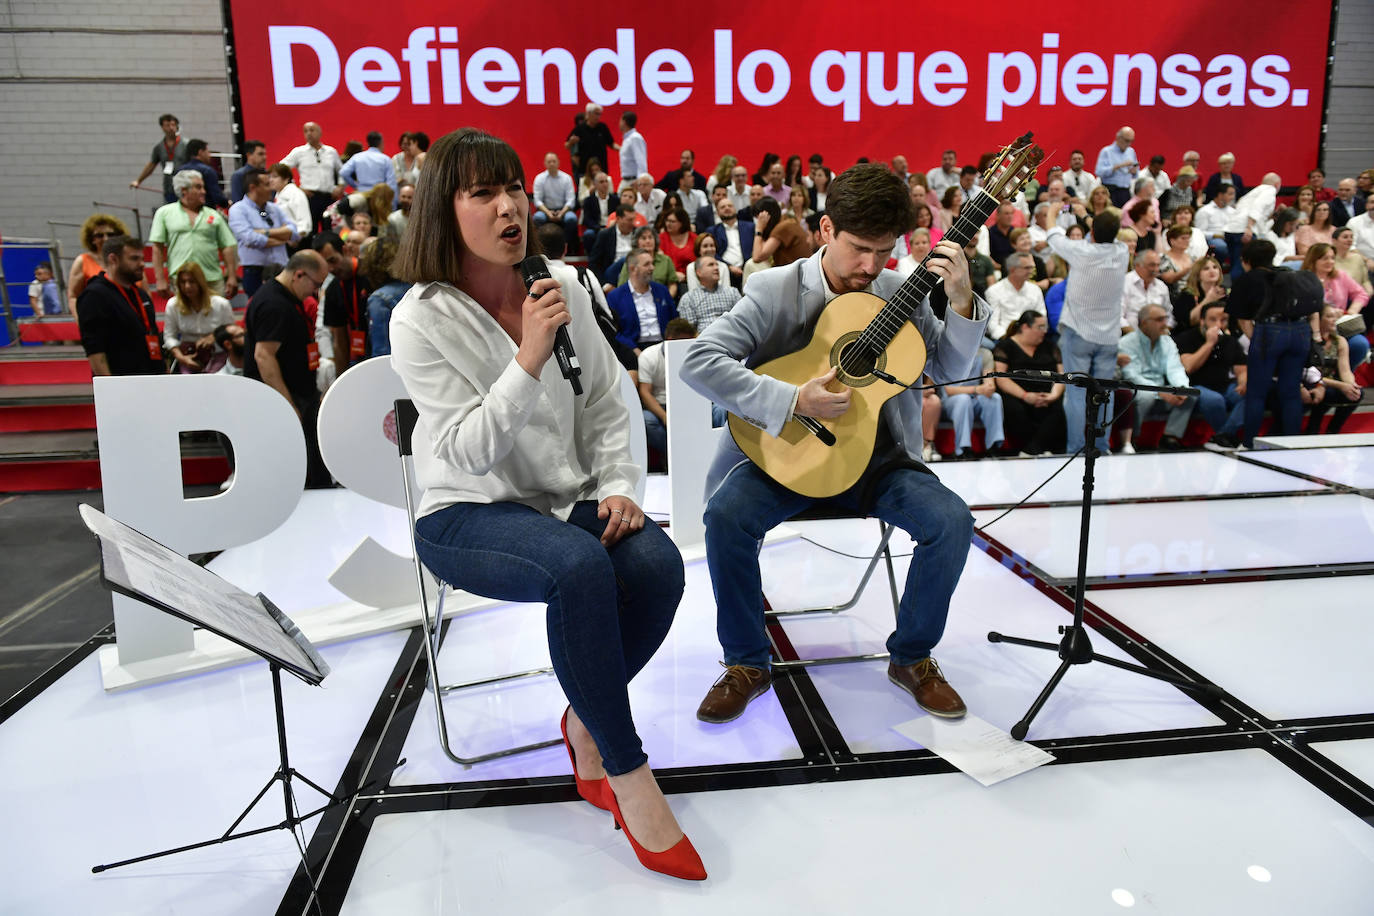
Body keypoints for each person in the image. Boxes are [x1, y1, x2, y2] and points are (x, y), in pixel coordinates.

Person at [384, 127, 700, 880]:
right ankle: (628, 775)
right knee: (580, 569)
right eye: (483, 194)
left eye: (514, 189)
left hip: (566, 500)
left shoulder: (557, 281)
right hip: (465, 511)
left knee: (658, 567)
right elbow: (463, 452)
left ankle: (583, 721)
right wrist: (526, 357)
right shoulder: (419, 317)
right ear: (443, 209)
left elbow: (609, 405)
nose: (508, 209)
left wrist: (621, 486)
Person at [680, 162, 990, 725]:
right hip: (788, 455)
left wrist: (963, 299)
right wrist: (791, 399)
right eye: (857, 249)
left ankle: (913, 657)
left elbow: (947, 368)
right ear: (826, 231)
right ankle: (747, 663)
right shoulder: (774, 288)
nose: (869, 266)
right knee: (726, 517)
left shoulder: (900, 291)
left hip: (879, 460)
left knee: (951, 521)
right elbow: (700, 361)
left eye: (883, 250)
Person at [243, 250, 333, 488]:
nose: (315, 291)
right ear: (299, 274)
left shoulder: (286, 298)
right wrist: (287, 404)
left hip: (298, 393)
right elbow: (263, 356)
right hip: (288, 397)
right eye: (316, 284)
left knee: (312, 463)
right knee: (302, 469)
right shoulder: (275, 304)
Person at [1046, 212, 1130, 453]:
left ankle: (1076, 448)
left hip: (1079, 333)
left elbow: (1053, 236)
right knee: (1106, 394)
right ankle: (1102, 446)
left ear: (1091, 232)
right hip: (1109, 337)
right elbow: (1107, 234)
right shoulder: (1123, 251)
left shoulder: (1081, 251)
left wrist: (1054, 208)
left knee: (1074, 394)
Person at [1228, 239, 1323, 447]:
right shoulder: (1287, 273)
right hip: (1300, 331)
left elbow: (1243, 320)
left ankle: (1249, 443)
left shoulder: (1247, 280)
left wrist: (1260, 342)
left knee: (1256, 393)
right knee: (1290, 392)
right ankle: (1291, 444)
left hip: (1270, 331)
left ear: (1246, 260)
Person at [77, 236, 165, 377]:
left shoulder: (141, 295)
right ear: (114, 259)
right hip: (120, 382)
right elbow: (95, 350)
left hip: (150, 379)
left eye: (142, 259)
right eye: (134, 259)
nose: (142, 264)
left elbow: (152, 334)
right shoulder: (95, 295)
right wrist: (109, 389)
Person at [1117, 303, 1195, 452]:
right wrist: (1158, 391)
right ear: (1144, 323)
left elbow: (1175, 369)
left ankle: (1169, 436)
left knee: (1190, 394)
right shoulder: (1126, 342)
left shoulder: (1167, 341)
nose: (1165, 324)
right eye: (1159, 320)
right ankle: (1133, 439)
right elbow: (1131, 376)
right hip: (1137, 388)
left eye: (1165, 319)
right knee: (1147, 396)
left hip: (1160, 388)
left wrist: (1181, 388)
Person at [150, 169, 239, 298]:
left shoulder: (214, 215)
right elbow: (157, 249)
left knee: (217, 317)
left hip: (212, 280)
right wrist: (160, 279)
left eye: (203, 187)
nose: (204, 191)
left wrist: (231, 276)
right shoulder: (164, 213)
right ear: (184, 190)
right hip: (181, 281)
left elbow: (227, 246)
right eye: (198, 187)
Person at [1175, 301, 1247, 448]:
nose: (1218, 325)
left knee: (1252, 394)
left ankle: (1223, 435)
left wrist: (1243, 382)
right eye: (1213, 319)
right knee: (1215, 400)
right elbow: (1188, 367)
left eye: (1223, 320)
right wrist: (1209, 344)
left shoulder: (1230, 341)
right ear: (1202, 320)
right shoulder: (1187, 338)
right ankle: (1225, 437)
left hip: (1224, 386)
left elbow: (1242, 369)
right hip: (1195, 386)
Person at [994, 310, 1066, 455]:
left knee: (1058, 408)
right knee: (1014, 408)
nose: (1044, 331)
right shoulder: (1005, 346)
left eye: (1045, 327)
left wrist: (1053, 395)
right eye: (1040, 327)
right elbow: (1001, 378)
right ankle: (1030, 449)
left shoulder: (1050, 346)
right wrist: (1026, 396)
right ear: (1025, 327)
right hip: (1018, 393)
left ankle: (1035, 450)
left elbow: (1061, 375)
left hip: (1047, 394)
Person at [228, 167, 298, 296]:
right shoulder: (238, 210)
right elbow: (250, 238)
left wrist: (263, 232)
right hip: (255, 271)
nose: (271, 188)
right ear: (253, 188)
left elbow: (294, 232)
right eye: (266, 185)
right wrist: (282, 238)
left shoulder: (274, 209)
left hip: (280, 268)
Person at [636, 317, 697, 456]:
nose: (688, 345)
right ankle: (674, 456)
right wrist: (664, 416)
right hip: (660, 405)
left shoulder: (693, 353)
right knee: (646, 421)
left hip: (688, 402)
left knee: (719, 411)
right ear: (670, 340)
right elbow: (645, 392)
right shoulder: (648, 356)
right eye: (684, 341)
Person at [1303, 242, 1369, 366]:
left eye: (1333, 258)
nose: (1330, 262)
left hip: (1339, 327)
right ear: (1313, 260)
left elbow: (1361, 294)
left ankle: (1343, 377)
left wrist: (1352, 311)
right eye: (1325, 258)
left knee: (1360, 344)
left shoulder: (1340, 276)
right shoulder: (1304, 279)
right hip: (1313, 328)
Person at [164, 262, 235, 373]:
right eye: (183, 282)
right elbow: (169, 336)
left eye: (192, 281)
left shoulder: (220, 304)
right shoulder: (173, 305)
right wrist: (181, 358)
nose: (187, 286)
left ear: (200, 282)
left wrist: (214, 336)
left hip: (217, 354)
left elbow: (232, 331)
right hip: (187, 355)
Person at [1305, 305, 1362, 434]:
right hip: (1310, 382)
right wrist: (1341, 386)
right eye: (1329, 316)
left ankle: (1333, 430)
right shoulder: (1308, 340)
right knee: (1323, 391)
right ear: (1317, 320)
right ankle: (1312, 430)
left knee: (1356, 393)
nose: (1334, 320)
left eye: (1335, 317)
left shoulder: (1339, 341)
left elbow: (1345, 371)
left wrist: (1351, 385)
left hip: (1331, 382)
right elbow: (1309, 375)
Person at [281, 122, 344, 232]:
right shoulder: (298, 152)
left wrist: (340, 186)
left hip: (329, 197)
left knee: (329, 230)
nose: (309, 133)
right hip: (309, 197)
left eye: (312, 130)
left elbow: (342, 171)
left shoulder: (331, 152)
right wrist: (295, 187)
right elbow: (281, 168)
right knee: (310, 230)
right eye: (306, 131)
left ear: (320, 133)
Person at [608, 249, 677, 350]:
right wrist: (633, 349)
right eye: (647, 264)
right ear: (632, 269)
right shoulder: (615, 296)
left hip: (663, 345)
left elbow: (674, 320)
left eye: (652, 263)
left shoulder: (661, 290)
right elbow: (614, 332)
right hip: (633, 348)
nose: (652, 268)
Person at [943, 347, 1004, 458]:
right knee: (963, 399)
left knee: (995, 398)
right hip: (951, 400)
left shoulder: (985, 353)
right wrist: (976, 389)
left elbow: (989, 384)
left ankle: (993, 445)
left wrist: (989, 388)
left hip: (974, 396)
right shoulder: (948, 352)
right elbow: (949, 390)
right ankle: (963, 449)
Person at [66, 214, 128, 312]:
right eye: (99, 235)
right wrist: (81, 321)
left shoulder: (129, 260)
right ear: (92, 239)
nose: (106, 239)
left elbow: (144, 294)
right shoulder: (82, 261)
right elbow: (73, 297)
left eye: (110, 234)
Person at [985, 252, 1045, 343]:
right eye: (1027, 268)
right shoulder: (994, 291)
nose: (1031, 271)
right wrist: (1013, 340)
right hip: (1005, 338)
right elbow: (993, 325)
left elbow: (1042, 317)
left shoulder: (1035, 290)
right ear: (1012, 270)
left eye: (1032, 267)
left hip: (1032, 338)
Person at [131, 114, 187, 203]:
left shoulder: (186, 144)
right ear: (162, 127)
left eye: (173, 125)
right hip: (169, 187)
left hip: (185, 187)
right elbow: (151, 165)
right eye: (168, 125)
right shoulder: (159, 147)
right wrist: (138, 180)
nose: (171, 128)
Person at [678, 254, 741, 333]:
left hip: (732, 337)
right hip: (703, 341)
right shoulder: (688, 298)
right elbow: (689, 331)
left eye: (716, 265)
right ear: (699, 272)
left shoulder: (733, 292)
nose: (716, 268)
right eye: (711, 265)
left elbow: (741, 320)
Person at [707, 195, 755, 289]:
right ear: (717, 213)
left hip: (748, 268)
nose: (727, 208)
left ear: (735, 209)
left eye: (730, 206)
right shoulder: (712, 231)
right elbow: (712, 253)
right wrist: (729, 267)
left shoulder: (750, 227)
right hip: (723, 270)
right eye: (723, 207)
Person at [531, 151, 578, 247]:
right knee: (537, 218)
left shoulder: (566, 178)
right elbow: (537, 201)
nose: (552, 163)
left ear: (558, 162)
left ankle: (565, 245)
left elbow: (571, 200)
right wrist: (548, 213)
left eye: (554, 161)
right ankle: (542, 246)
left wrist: (561, 213)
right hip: (545, 209)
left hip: (564, 209)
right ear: (545, 164)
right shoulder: (539, 178)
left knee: (571, 219)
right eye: (549, 162)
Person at [750, 198, 813, 269]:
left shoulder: (783, 227)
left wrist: (759, 229)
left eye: (759, 219)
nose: (758, 222)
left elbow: (757, 257)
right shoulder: (786, 221)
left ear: (767, 217)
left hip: (798, 275)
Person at [615, 226, 678, 296]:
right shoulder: (631, 261)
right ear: (637, 242)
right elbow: (622, 285)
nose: (648, 241)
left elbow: (673, 285)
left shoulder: (666, 260)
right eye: (643, 238)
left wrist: (666, 299)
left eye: (650, 237)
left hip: (660, 299)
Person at [1173, 255, 1227, 330]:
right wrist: (1208, 299)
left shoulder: (1223, 292)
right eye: (1206, 269)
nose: (1212, 271)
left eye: (1215, 267)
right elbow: (1189, 321)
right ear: (1198, 275)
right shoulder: (1188, 294)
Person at [1122, 250, 1170, 330]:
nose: (1156, 269)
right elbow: (1118, 317)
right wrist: (1135, 336)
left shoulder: (1161, 286)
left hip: (1157, 335)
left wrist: (1163, 331)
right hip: (1129, 334)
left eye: (1158, 265)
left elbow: (1169, 315)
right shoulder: (1125, 283)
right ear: (1138, 266)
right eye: (1152, 265)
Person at [340, 132, 397, 197]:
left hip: (361, 194)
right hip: (378, 197)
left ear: (368, 143)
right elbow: (391, 184)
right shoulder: (386, 159)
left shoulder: (357, 157)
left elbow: (343, 172)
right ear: (381, 143)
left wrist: (356, 185)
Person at [1095, 127, 1138, 208]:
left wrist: (1134, 171)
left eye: (1131, 141)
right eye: (1126, 140)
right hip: (1110, 190)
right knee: (1111, 218)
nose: (1129, 144)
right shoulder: (1106, 151)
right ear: (1118, 138)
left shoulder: (1131, 151)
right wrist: (1119, 166)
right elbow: (1099, 172)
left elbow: (1136, 174)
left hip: (1125, 191)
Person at [180, 139, 229, 209]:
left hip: (184, 210)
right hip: (205, 210)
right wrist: (227, 203)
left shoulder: (180, 170)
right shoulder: (208, 171)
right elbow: (217, 196)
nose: (209, 155)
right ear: (200, 152)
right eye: (207, 152)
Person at [268, 163, 312, 239]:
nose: (271, 180)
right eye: (270, 177)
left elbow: (304, 221)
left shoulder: (295, 193)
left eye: (275, 177)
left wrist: (297, 238)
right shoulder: (278, 194)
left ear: (286, 179)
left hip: (297, 240)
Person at [657, 208, 696, 281]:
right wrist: (673, 274)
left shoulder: (694, 238)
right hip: (668, 278)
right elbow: (659, 264)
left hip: (692, 277)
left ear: (682, 223)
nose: (668, 224)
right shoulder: (660, 238)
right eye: (667, 220)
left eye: (672, 221)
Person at [617, 111, 645, 189]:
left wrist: (641, 181)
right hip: (626, 180)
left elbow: (641, 161)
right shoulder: (627, 139)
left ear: (624, 122)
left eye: (620, 120)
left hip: (634, 181)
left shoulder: (635, 138)